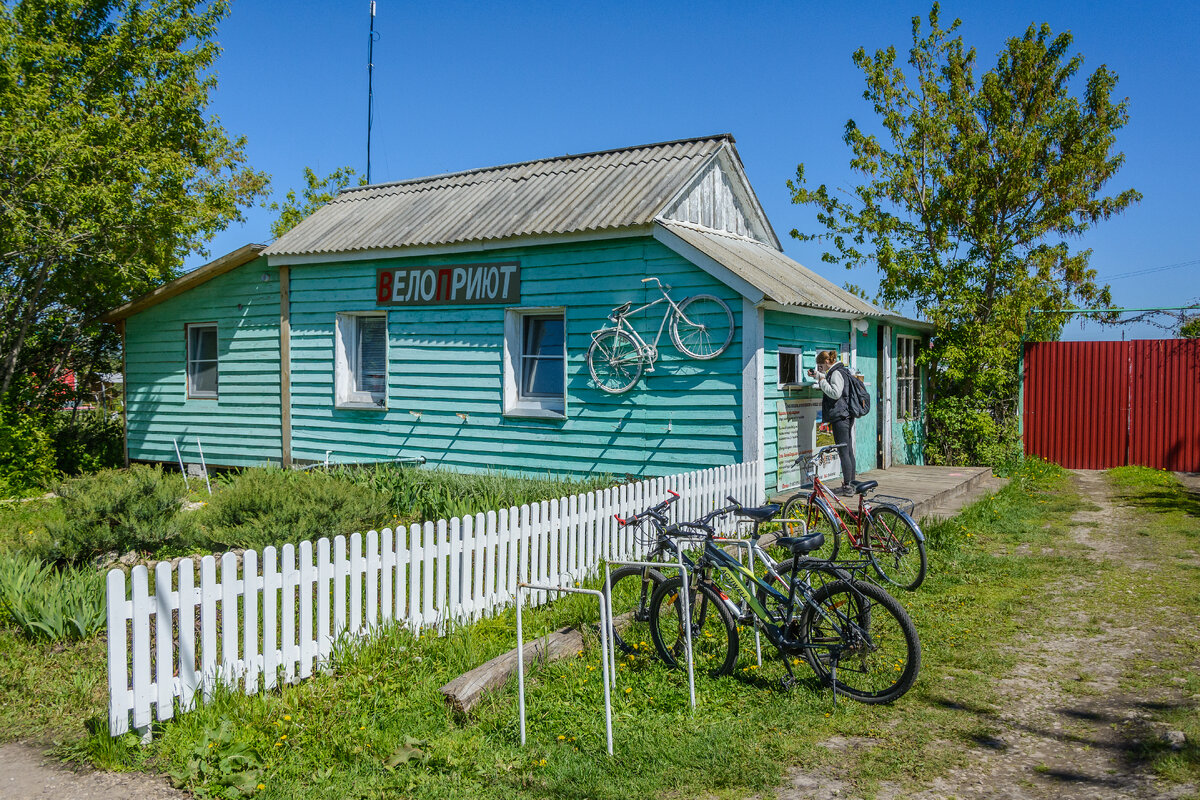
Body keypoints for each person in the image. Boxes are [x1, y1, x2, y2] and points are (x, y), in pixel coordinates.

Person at [809, 350, 856, 495]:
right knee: (848, 450)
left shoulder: (836, 373)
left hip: (840, 417)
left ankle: (848, 486)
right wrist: (818, 376)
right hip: (845, 415)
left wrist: (822, 381)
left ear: (827, 362)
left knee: (844, 451)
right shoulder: (840, 370)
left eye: (821, 366)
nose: (820, 369)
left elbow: (835, 393)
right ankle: (852, 483)